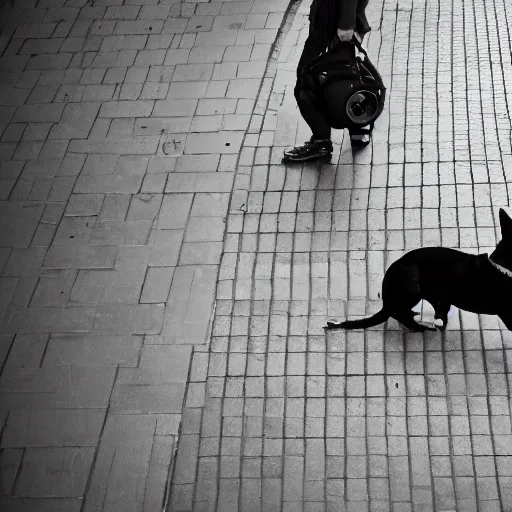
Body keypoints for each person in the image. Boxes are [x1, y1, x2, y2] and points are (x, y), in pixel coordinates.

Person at [284, 0, 372, 162]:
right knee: (346, 75)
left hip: (333, 27)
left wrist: (346, 24)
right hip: (337, 24)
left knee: (307, 82)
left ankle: (321, 141)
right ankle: (356, 125)